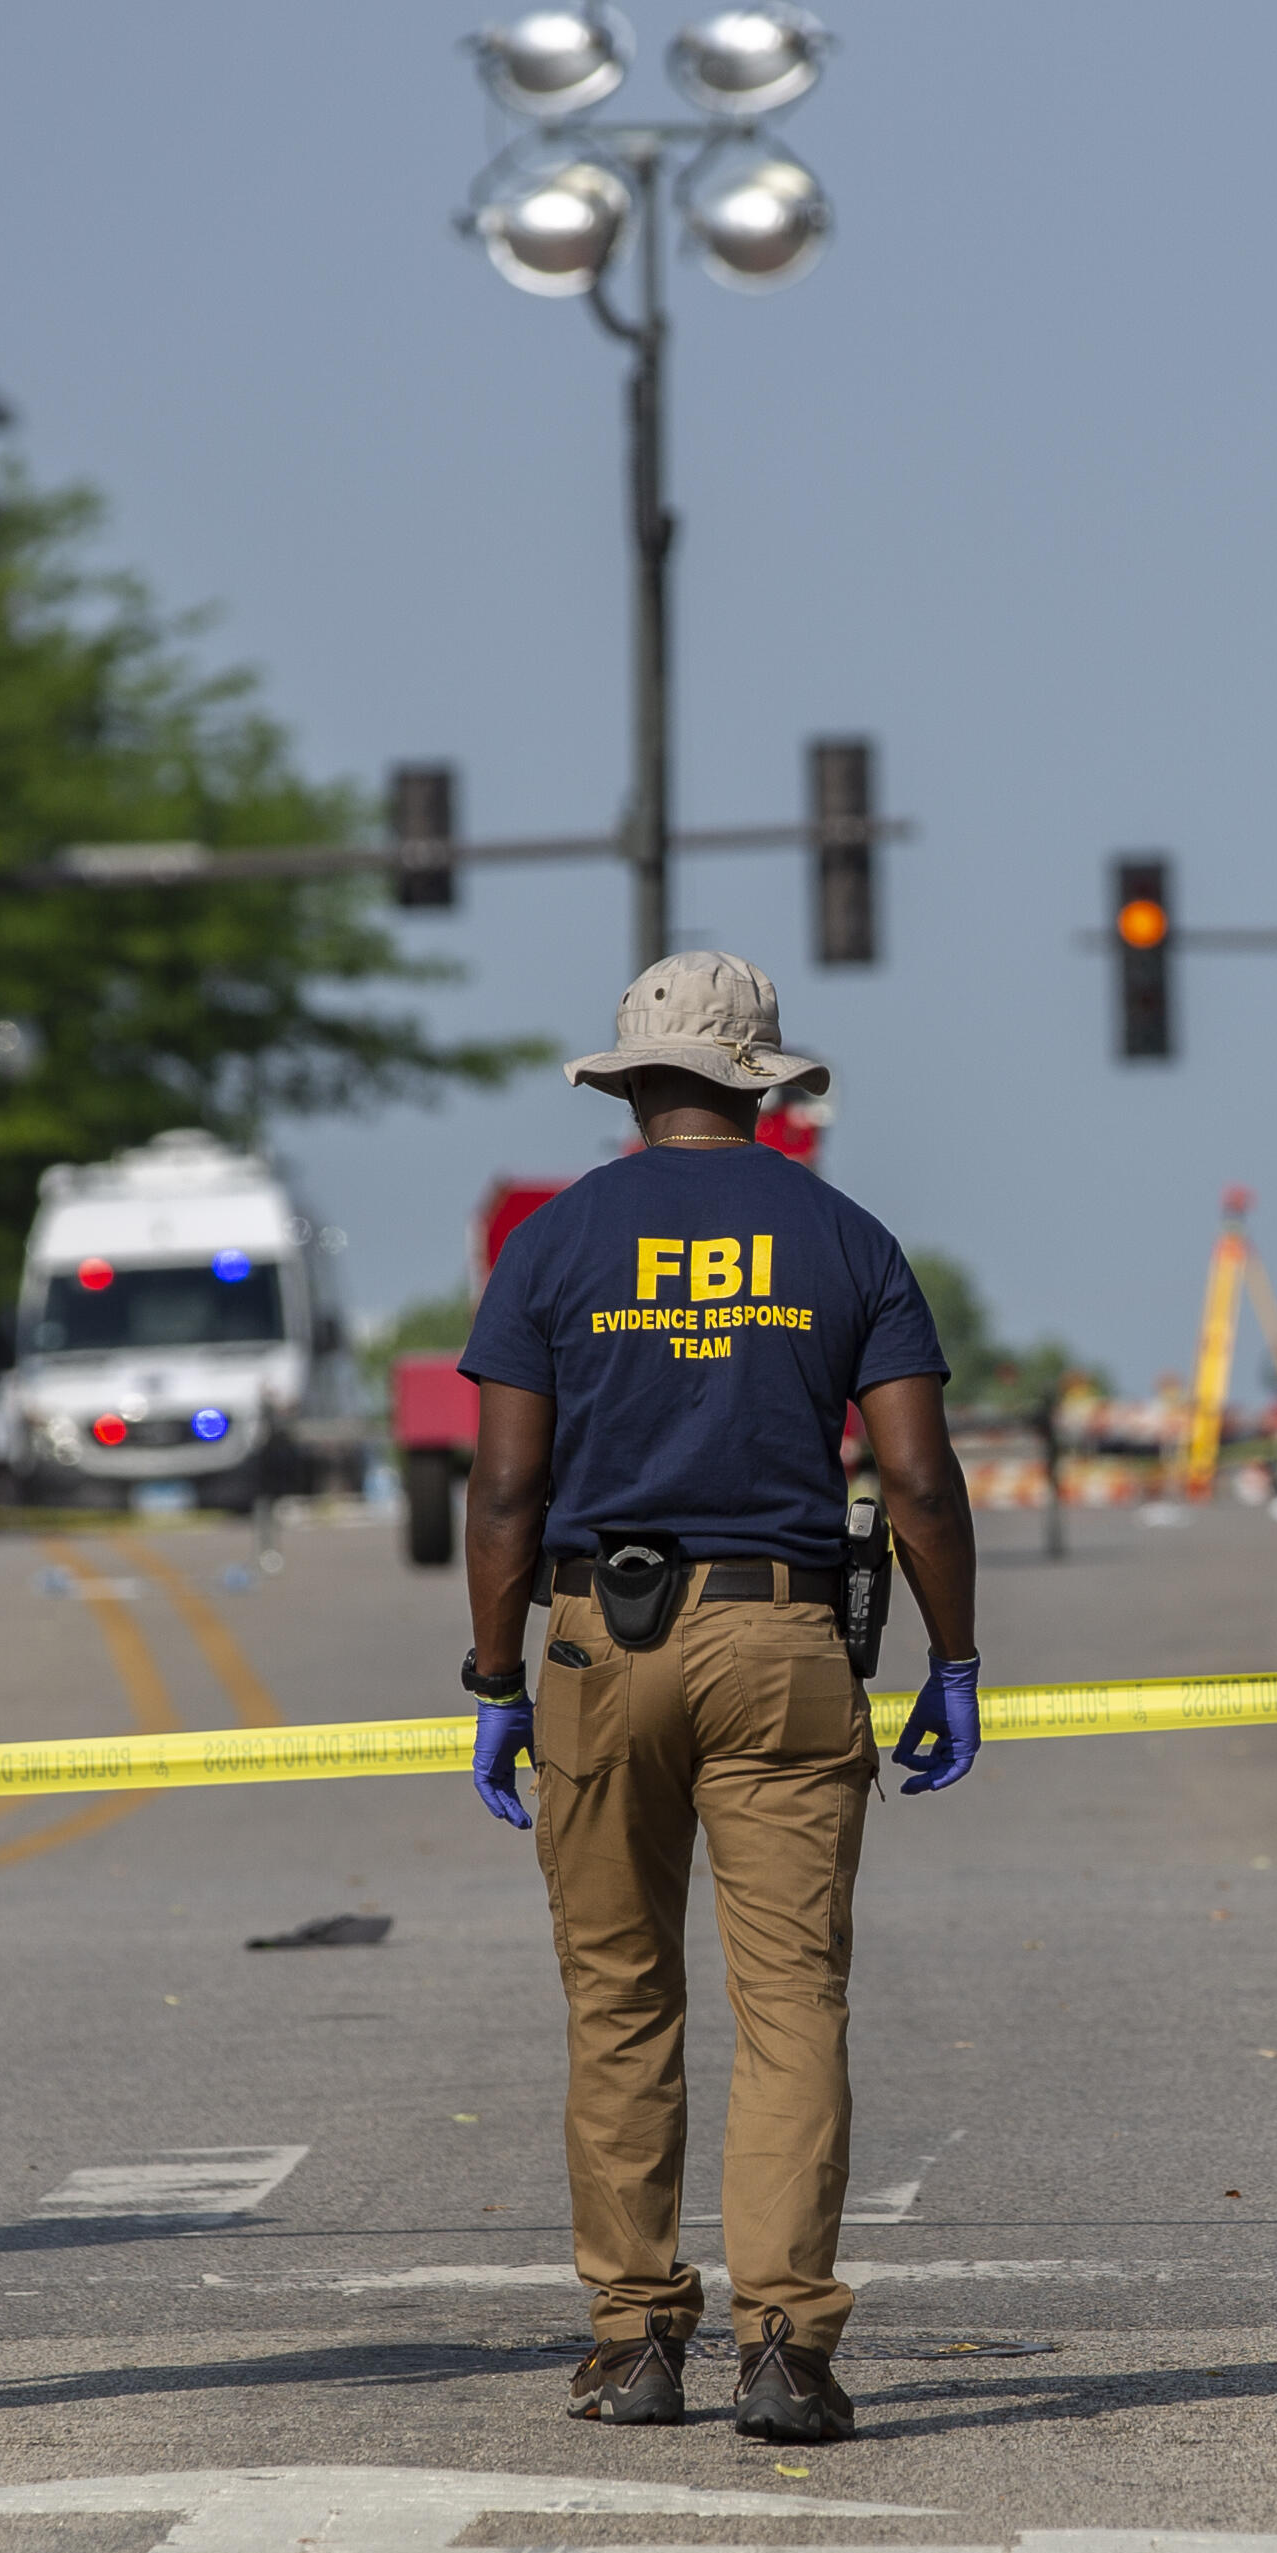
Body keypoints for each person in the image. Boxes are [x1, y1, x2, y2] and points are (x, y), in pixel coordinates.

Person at [456, 950, 975, 2447]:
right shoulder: (846, 1240)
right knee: (792, 2005)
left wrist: (497, 1680)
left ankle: (633, 2345)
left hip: (594, 1647)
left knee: (621, 2003)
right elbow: (917, 1478)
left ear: (630, 1084)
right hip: (783, 1641)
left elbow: (505, 1492)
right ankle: (787, 2350)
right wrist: (953, 1660)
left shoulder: (554, 1244)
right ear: (764, 1086)